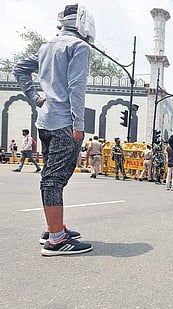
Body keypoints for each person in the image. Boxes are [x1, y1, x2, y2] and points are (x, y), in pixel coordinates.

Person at [13, 3, 95, 255]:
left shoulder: (46, 46)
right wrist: (79, 125)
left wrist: (36, 98)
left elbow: (19, 69)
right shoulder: (79, 47)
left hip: (44, 122)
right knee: (54, 179)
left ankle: (54, 228)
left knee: (50, 177)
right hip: (64, 123)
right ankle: (57, 239)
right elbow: (76, 86)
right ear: (82, 23)